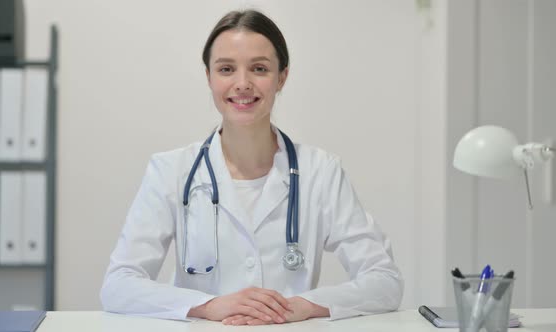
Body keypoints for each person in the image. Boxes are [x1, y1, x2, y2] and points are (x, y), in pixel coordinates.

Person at [100, 9, 403, 326]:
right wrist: (207, 305)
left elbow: (384, 281)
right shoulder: (170, 170)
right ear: (209, 77)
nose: (242, 84)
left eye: (259, 68)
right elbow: (119, 285)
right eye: (226, 69)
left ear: (281, 77)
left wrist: (306, 305)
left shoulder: (321, 171)